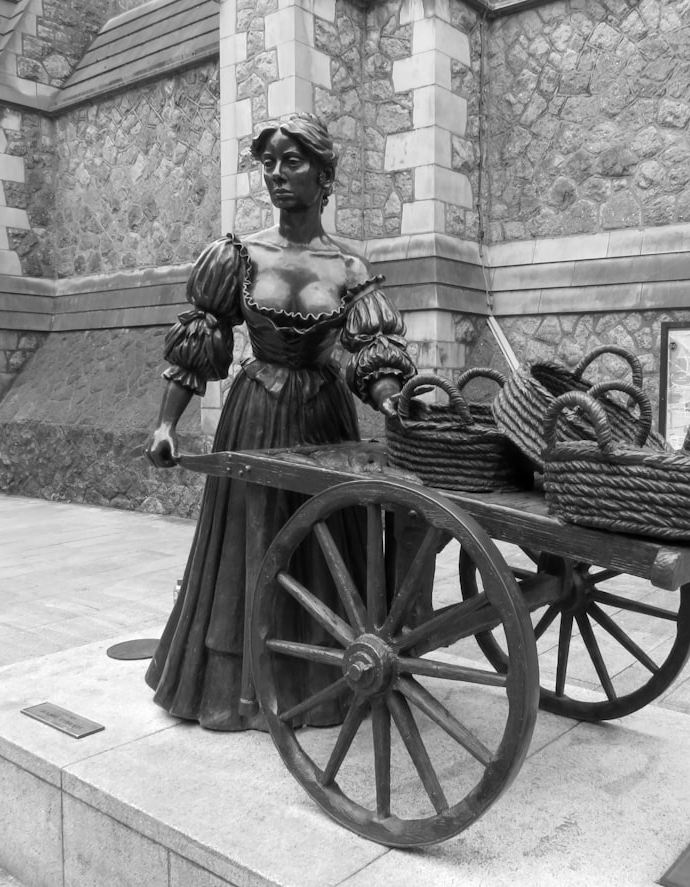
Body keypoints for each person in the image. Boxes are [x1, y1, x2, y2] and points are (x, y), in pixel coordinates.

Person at [144, 112, 415, 731]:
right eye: (268, 163)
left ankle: (322, 677)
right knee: (248, 541)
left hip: (323, 418)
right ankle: (236, 688)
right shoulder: (238, 255)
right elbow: (199, 341)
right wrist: (166, 424)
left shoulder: (348, 266)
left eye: (292, 161)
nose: (277, 175)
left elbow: (370, 354)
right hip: (256, 413)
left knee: (324, 548)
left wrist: (393, 398)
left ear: (325, 175)